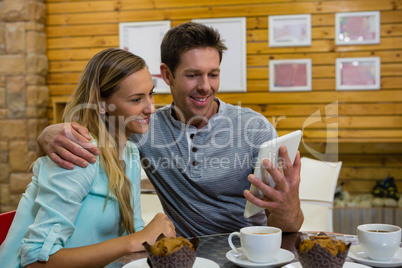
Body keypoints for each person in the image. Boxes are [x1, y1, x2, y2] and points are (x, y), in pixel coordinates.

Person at [37, 22, 304, 237]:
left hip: (247, 253)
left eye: (213, 74)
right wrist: (47, 133)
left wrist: (288, 206)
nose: (205, 86)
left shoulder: (254, 128)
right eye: (192, 75)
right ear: (166, 75)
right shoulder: (144, 127)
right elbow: (96, 126)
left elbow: (290, 226)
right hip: (188, 257)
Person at [0, 48, 176, 268]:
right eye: (136, 99)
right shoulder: (77, 153)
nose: (150, 108)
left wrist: (152, 239)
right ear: (102, 105)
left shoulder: (130, 153)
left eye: (151, 94)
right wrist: (135, 240)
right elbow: (35, 261)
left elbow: (133, 233)